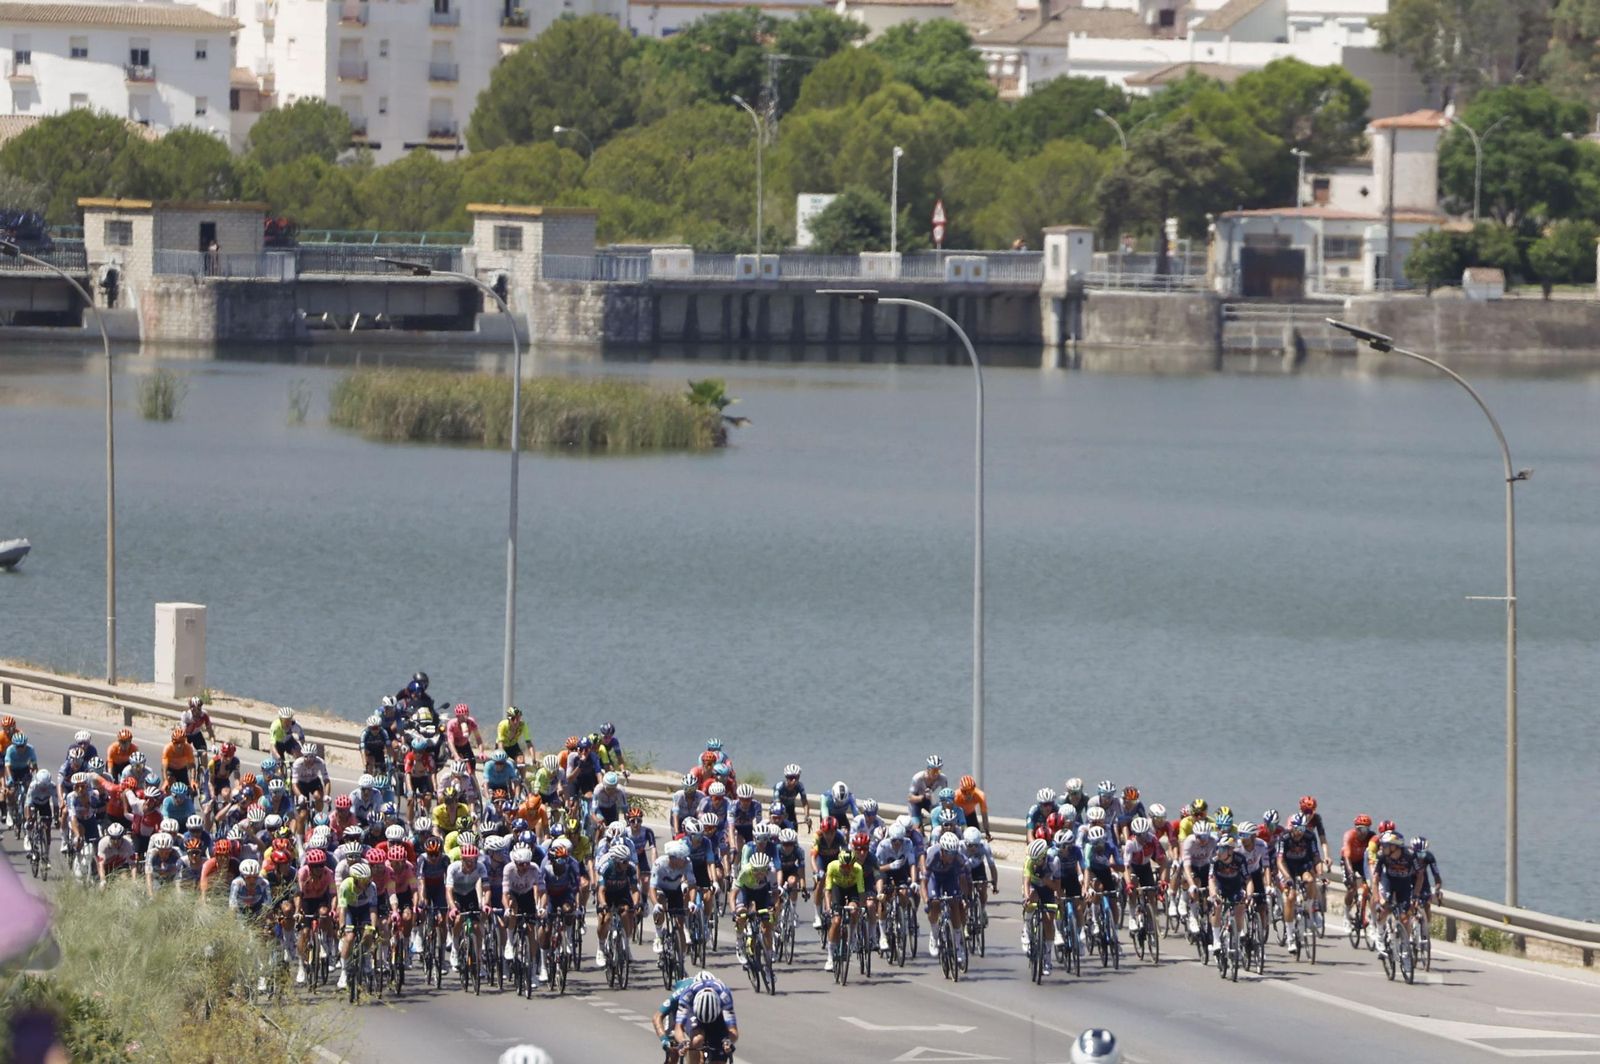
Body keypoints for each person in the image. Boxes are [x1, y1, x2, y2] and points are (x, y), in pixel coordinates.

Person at [822, 846, 864, 973]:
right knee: (836, 921)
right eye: (843, 866)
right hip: (837, 888)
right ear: (839, 863)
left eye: (849, 866)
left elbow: (861, 892)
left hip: (852, 888)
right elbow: (828, 890)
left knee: (854, 909)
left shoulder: (858, 869)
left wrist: (861, 908)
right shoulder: (832, 866)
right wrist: (829, 908)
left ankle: (852, 935)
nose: (846, 869)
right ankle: (830, 956)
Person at [907, 755, 948, 827]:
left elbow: (945, 796)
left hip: (929, 800)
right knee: (916, 825)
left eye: (938, 770)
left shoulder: (942, 778)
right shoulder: (918, 778)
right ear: (928, 769)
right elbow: (910, 798)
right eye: (934, 771)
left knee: (939, 819)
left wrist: (942, 806)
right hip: (916, 802)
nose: (936, 774)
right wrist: (922, 797)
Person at [953, 775, 991, 840]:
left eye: (970, 791)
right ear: (961, 790)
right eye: (964, 792)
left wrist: (987, 832)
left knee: (976, 835)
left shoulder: (980, 795)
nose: (968, 795)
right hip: (958, 815)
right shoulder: (956, 796)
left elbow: (984, 815)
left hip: (971, 814)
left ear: (974, 789)